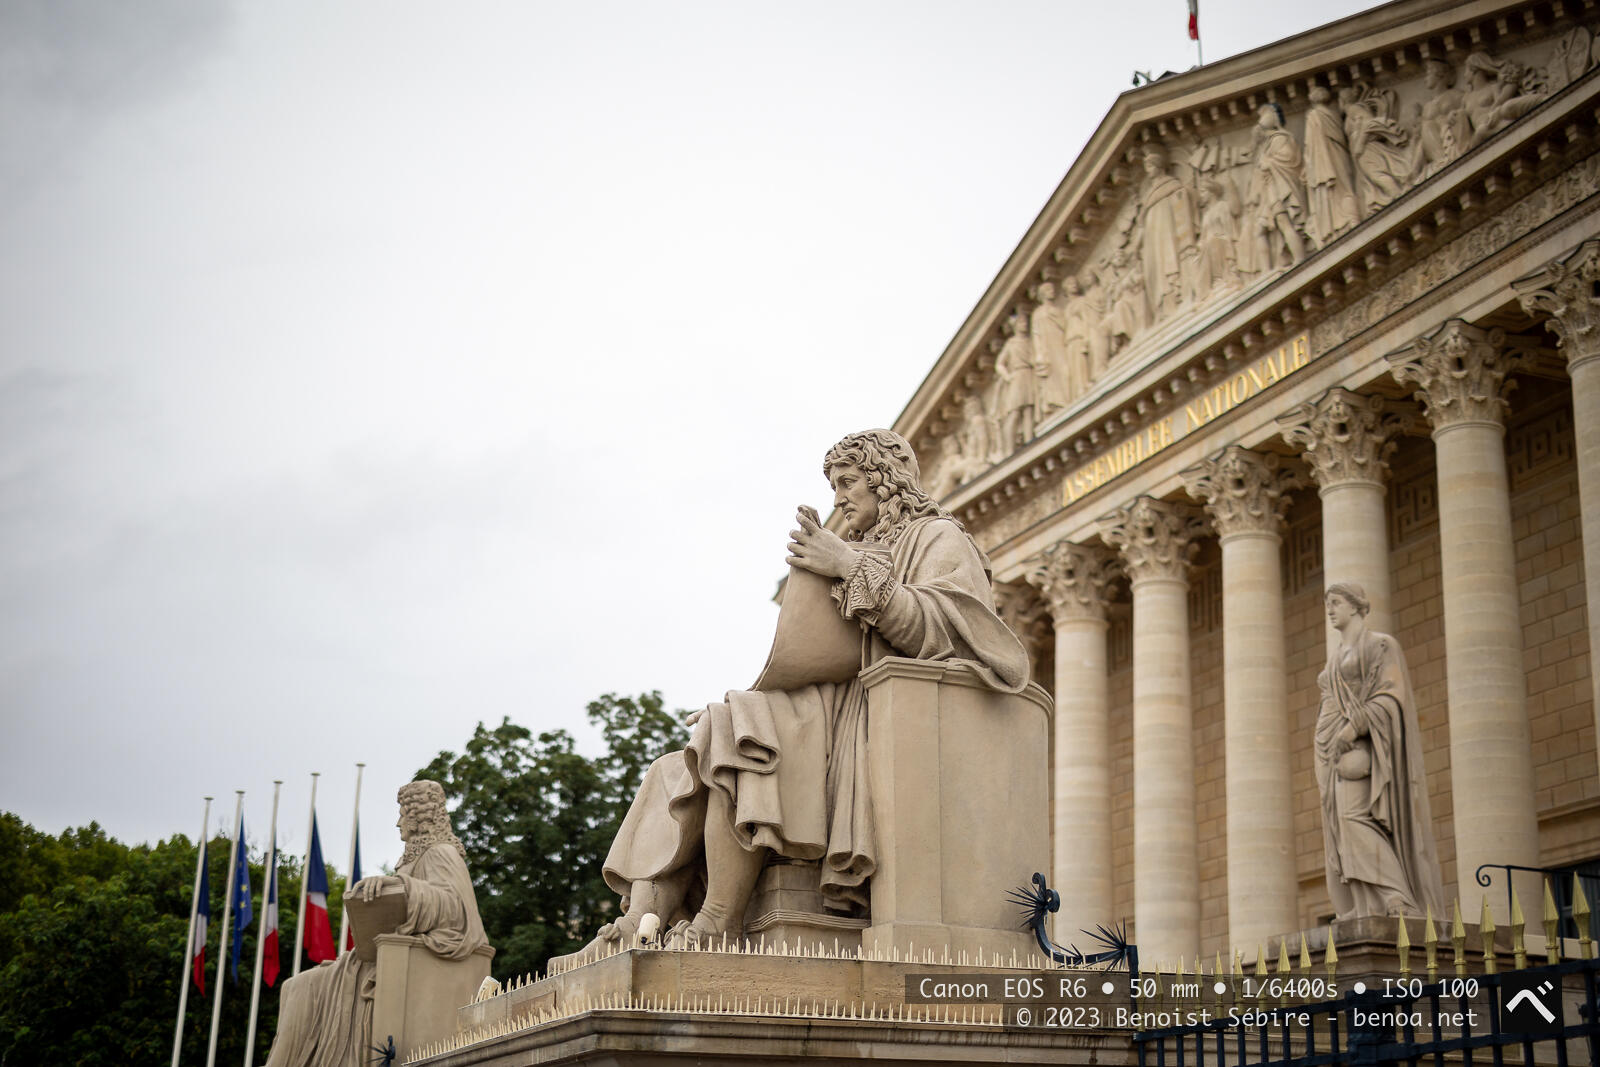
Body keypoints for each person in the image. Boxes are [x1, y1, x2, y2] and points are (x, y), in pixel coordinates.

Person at [586, 430, 1029, 951]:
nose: (839, 497)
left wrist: (845, 566)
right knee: (682, 761)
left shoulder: (937, 539)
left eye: (848, 481)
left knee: (736, 728)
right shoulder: (859, 546)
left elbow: (945, 634)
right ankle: (638, 923)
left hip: (872, 708)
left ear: (885, 481)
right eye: (834, 484)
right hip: (826, 703)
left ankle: (717, 918)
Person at [265, 780, 487, 1067]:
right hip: (382, 958)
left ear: (418, 816)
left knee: (301, 987)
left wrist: (401, 886)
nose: (398, 823)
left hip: (410, 960)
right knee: (297, 986)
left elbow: (456, 909)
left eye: (403, 814)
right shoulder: (416, 855)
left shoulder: (440, 853)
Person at [1314, 582, 1444, 920]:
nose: (1330, 610)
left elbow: (1390, 696)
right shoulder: (1332, 663)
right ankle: (1367, 903)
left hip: (1371, 752)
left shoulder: (1380, 646)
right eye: (1328, 603)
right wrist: (1329, 740)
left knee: (1356, 817)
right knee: (1344, 823)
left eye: (1336, 602)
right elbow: (1328, 706)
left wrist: (1354, 727)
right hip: (1339, 757)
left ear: (1356, 606)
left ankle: (1396, 896)